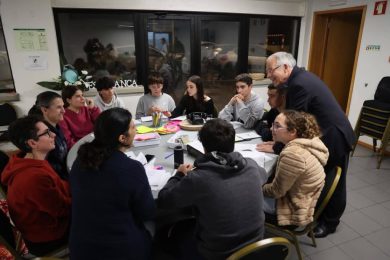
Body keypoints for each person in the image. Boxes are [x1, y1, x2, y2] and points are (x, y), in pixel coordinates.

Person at [266, 52, 355, 237]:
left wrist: (277, 147)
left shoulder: (299, 84)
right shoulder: (298, 79)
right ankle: (311, 212)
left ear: (285, 67)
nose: (268, 75)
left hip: (335, 137)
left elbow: (293, 124)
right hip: (325, 133)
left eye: (270, 70)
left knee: (334, 182)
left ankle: (330, 223)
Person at [158, 118, 267, 259]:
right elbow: (263, 177)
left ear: (203, 147)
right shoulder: (250, 165)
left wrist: (178, 174)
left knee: (169, 231)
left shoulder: (198, 178)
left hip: (218, 255)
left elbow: (165, 200)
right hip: (257, 247)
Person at [69, 108, 155, 260]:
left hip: (81, 248)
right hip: (119, 250)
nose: (136, 131)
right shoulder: (131, 168)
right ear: (122, 138)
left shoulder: (81, 159)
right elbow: (147, 212)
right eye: (133, 127)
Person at [1, 116, 71, 256]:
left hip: (45, 224)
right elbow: (62, 210)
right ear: (32, 143)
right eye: (46, 133)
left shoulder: (27, 159)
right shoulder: (34, 177)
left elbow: (59, 188)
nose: (54, 134)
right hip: (48, 237)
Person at [262, 110, 328, 227]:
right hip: (304, 198)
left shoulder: (293, 154)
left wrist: (257, 188)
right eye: (273, 125)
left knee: (243, 196)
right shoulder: (309, 142)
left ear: (292, 131)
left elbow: (276, 191)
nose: (272, 129)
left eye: (277, 126)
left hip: (292, 209)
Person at [28, 91, 68, 180]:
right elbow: (51, 170)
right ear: (44, 110)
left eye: (63, 106)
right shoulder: (42, 135)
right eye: (59, 107)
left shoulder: (56, 125)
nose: (64, 111)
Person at [59, 85, 101, 149]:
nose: (83, 98)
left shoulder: (88, 109)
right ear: (68, 100)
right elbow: (68, 140)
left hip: (96, 142)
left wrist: (93, 108)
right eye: (78, 96)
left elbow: (102, 124)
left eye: (82, 95)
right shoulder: (63, 116)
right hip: (80, 148)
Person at [255, 84, 286, 155]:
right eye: (268, 96)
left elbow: (268, 136)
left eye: (272, 96)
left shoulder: (291, 115)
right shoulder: (273, 111)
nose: (268, 100)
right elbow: (257, 122)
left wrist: (278, 147)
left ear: (283, 97)